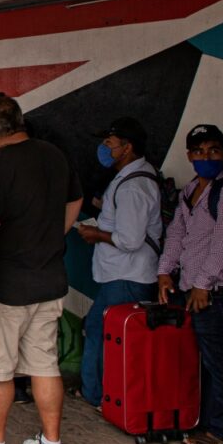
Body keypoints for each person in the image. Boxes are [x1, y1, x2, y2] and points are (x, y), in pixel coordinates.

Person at [0, 93, 82, 444]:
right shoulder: (54, 155)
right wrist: (51, 237)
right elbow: (75, 202)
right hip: (50, 281)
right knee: (45, 366)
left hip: (7, 286)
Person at [157, 124, 223, 444]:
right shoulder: (190, 191)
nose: (206, 156)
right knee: (204, 362)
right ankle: (205, 420)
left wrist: (202, 284)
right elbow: (176, 236)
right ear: (189, 156)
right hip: (189, 289)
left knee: (222, 364)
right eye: (198, 151)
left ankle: (221, 431)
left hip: (214, 293)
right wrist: (164, 272)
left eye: (213, 150)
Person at [75, 116, 161, 408]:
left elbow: (129, 240)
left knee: (102, 333)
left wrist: (96, 234)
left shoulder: (134, 187)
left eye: (108, 143)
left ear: (127, 147)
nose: (103, 148)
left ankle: (97, 395)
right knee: (104, 331)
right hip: (121, 275)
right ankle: (100, 393)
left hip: (128, 276)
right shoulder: (129, 178)